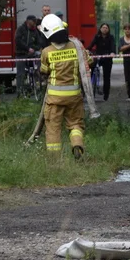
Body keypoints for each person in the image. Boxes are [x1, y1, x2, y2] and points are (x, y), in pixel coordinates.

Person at [39, 14, 87, 159]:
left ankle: (54, 160)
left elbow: (44, 72)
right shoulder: (77, 46)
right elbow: (88, 63)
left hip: (55, 98)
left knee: (53, 127)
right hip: (74, 96)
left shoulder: (47, 52)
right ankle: (77, 144)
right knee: (75, 124)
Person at [14, 15, 41, 97]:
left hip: (31, 54)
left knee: (40, 59)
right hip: (21, 54)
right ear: (28, 21)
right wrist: (27, 48)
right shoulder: (21, 29)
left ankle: (37, 79)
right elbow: (17, 40)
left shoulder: (35, 31)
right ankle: (20, 94)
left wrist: (33, 49)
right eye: (33, 21)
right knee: (20, 74)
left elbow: (39, 43)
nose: (35, 23)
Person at [88, 23, 116, 101]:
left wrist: (112, 52)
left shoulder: (111, 37)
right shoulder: (97, 37)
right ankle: (89, 88)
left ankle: (106, 94)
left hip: (107, 58)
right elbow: (91, 44)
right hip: (98, 57)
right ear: (100, 29)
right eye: (103, 27)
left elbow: (113, 46)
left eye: (106, 28)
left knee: (107, 77)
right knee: (91, 68)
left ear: (108, 29)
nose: (105, 29)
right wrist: (87, 50)